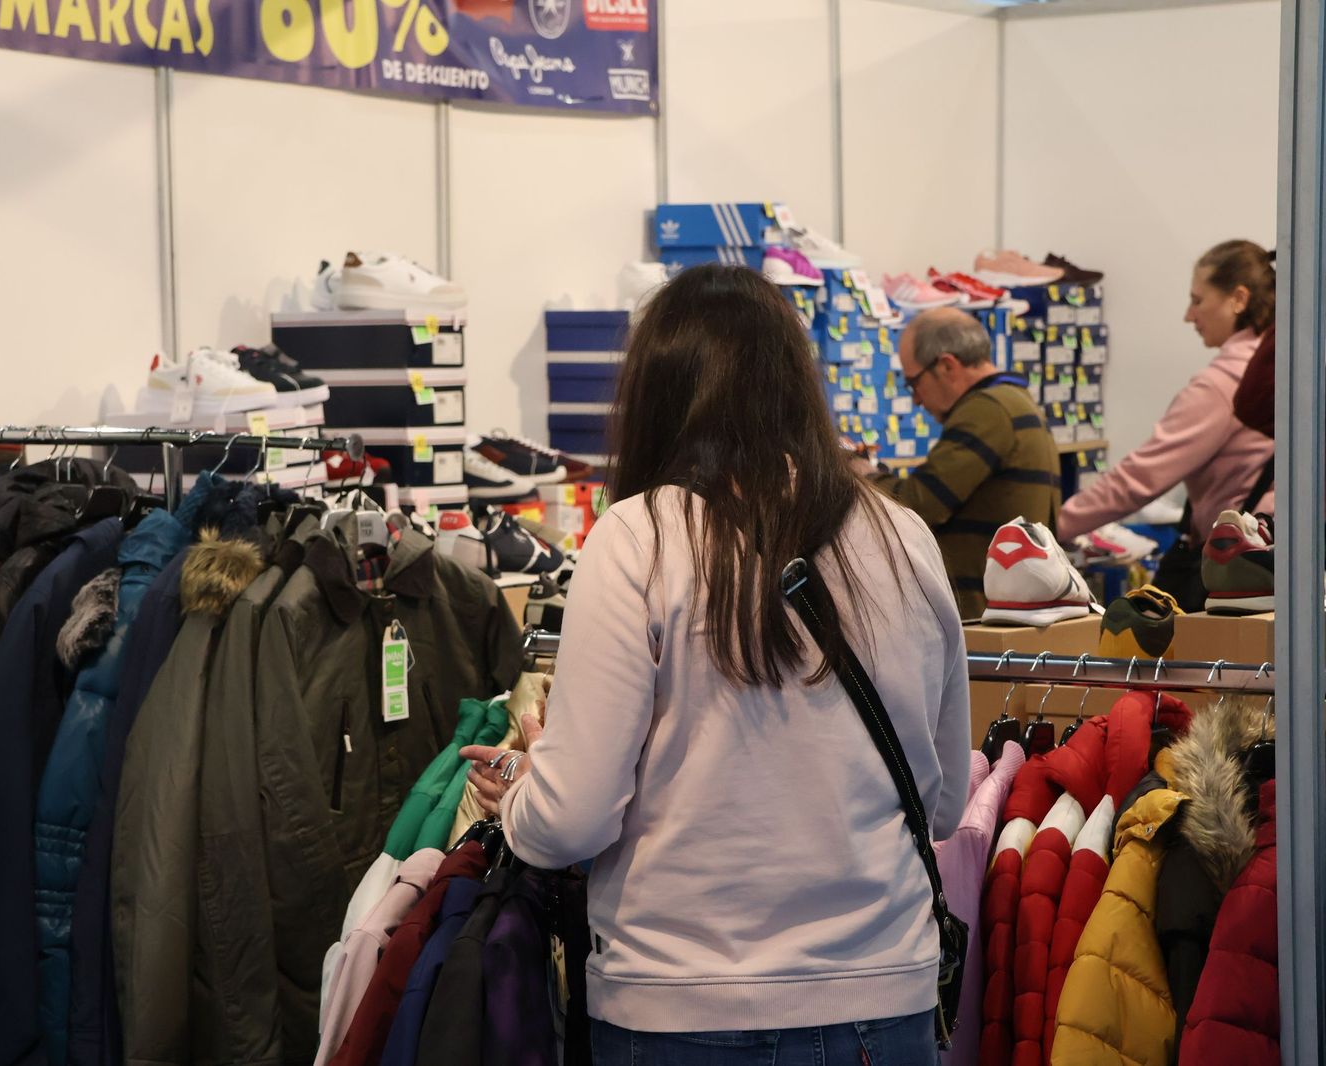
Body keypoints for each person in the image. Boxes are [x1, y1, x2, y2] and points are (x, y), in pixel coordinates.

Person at [459, 265, 971, 1065]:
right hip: (889, 994)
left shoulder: (639, 538)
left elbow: (572, 819)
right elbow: (942, 806)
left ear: (660, 394)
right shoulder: (903, 537)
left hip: (683, 1002)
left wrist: (522, 793)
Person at [1057, 240, 1275, 610]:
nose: (1189, 316)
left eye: (1198, 300)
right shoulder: (1277, 367)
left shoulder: (1224, 384)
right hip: (1267, 565)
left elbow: (1141, 476)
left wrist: (1054, 524)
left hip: (1225, 568)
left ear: (1238, 299)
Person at [869, 307, 1062, 618]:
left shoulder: (988, 410)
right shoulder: (1014, 401)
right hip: (1004, 613)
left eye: (914, 383)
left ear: (946, 365)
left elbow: (918, 504)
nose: (916, 400)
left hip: (984, 618)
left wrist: (862, 475)